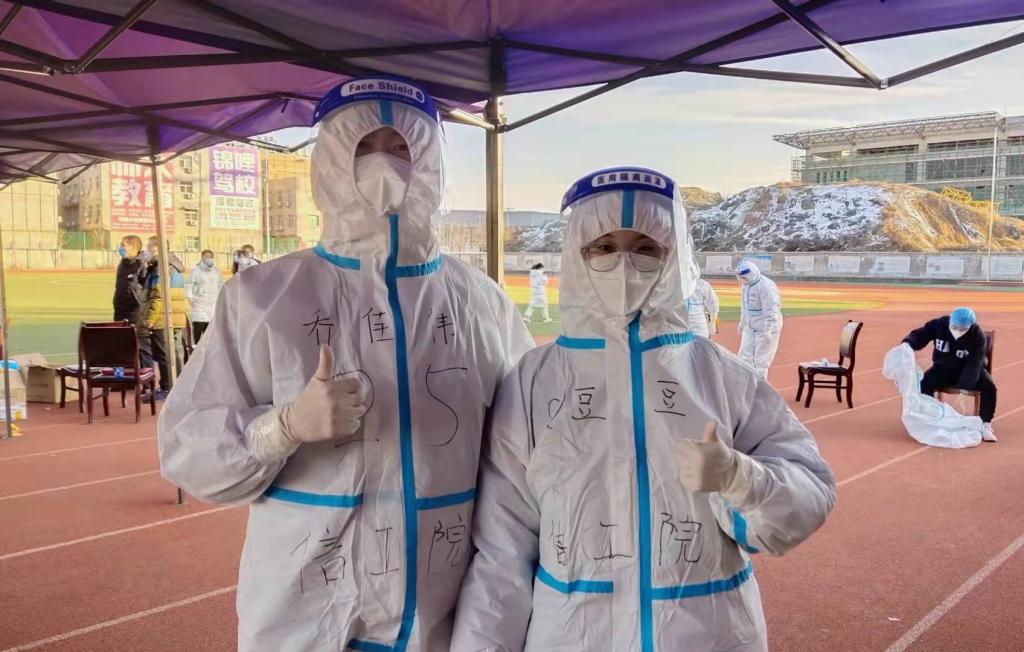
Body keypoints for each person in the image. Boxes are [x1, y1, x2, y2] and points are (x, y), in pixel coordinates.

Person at [158, 76, 533, 651]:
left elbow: (525, 453)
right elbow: (188, 449)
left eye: (401, 147)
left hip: (442, 615)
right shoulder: (262, 299)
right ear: (331, 161)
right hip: (305, 617)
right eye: (364, 147)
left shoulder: (481, 304)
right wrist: (281, 427)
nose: (384, 163)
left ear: (430, 163)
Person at [452, 167, 835, 651]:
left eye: (646, 247)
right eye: (604, 247)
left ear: (673, 257)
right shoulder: (532, 384)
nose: (624, 263)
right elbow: (502, 550)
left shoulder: (722, 378)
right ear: (577, 252)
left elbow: (809, 493)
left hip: (708, 636)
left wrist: (741, 479)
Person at [902, 307, 997, 442]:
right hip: (943, 368)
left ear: (970, 326)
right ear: (950, 321)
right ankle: (930, 417)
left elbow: (974, 364)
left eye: (962, 329)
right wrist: (908, 344)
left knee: (989, 386)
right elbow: (920, 335)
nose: (957, 331)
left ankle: (985, 424)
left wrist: (964, 388)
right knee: (925, 383)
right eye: (954, 327)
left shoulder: (977, 335)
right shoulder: (939, 324)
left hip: (969, 370)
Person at [141, 237, 189, 403]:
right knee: (175, 353)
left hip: (164, 317)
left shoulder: (161, 268)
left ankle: (167, 388)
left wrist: (149, 319)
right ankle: (177, 388)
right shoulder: (172, 265)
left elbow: (159, 296)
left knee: (164, 355)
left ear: (156, 249)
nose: (146, 251)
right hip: (175, 315)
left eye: (149, 248)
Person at [736, 260, 782, 379]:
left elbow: (771, 310)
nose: (742, 280)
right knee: (744, 356)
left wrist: (768, 330)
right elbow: (745, 306)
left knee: (761, 360)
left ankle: (760, 386)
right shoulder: (746, 285)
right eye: (740, 278)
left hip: (766, 326)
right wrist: (743, 322)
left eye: (744, 277)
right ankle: (746, 383)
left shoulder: (765, 286)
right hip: (751, 325)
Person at [112, 235, 153, 368]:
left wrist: (142, 306)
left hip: (136, 311)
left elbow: (147, 288)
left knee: (141, 345)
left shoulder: (142, 264)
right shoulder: (123, 263)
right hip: (120, 309)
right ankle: (126, 374)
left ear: (134, 247)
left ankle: (147, 374)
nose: (120, 249)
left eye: (123, 246)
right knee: (122, 345)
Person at [185, 250, 223, 344]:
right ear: (202, 257)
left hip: (212, 306)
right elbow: (189, 285)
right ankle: (196, 349)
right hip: (199, 306)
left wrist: (220, 300)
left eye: (211, 257)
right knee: (198, 335)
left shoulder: (216, 272)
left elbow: (220, 286)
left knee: (210, 336)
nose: (209, 259)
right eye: (207, 257)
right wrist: (191, 298)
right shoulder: (196, 271)